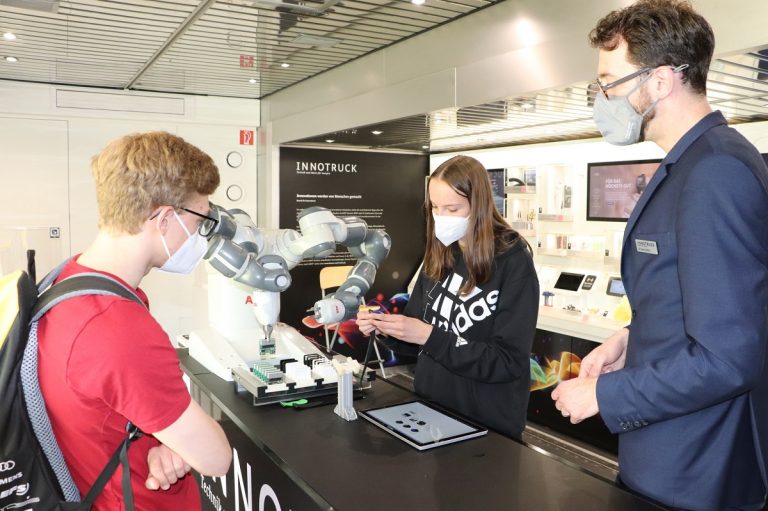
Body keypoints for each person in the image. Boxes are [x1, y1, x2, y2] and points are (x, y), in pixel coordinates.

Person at [551, 1, 768, 509]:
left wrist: (604, 396)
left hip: (696, 465)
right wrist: (630, 339)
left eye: (610, 81)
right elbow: (703, 300)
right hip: (674, 454)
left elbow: (728, 357)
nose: (602, 98)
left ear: (662, 80)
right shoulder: (693, 162)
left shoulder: (715, 171)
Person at [37, 132, 232, 510]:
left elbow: (107, 407)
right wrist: (186, 438)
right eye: (200, 219)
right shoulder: (117, 328)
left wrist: (166, 439)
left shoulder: (70, 282)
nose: (200, 235)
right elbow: (215, 457)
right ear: (163, 218)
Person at [357, 155, 539, 439]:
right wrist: (386, 328)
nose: (441, 218)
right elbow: (419, 333)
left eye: (452, 209)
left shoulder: (512, 262)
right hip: (432, 408)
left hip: (486, 422)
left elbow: (507, 361)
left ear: (478, 206)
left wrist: (429, 336)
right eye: (435, 208)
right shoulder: (442, 251)